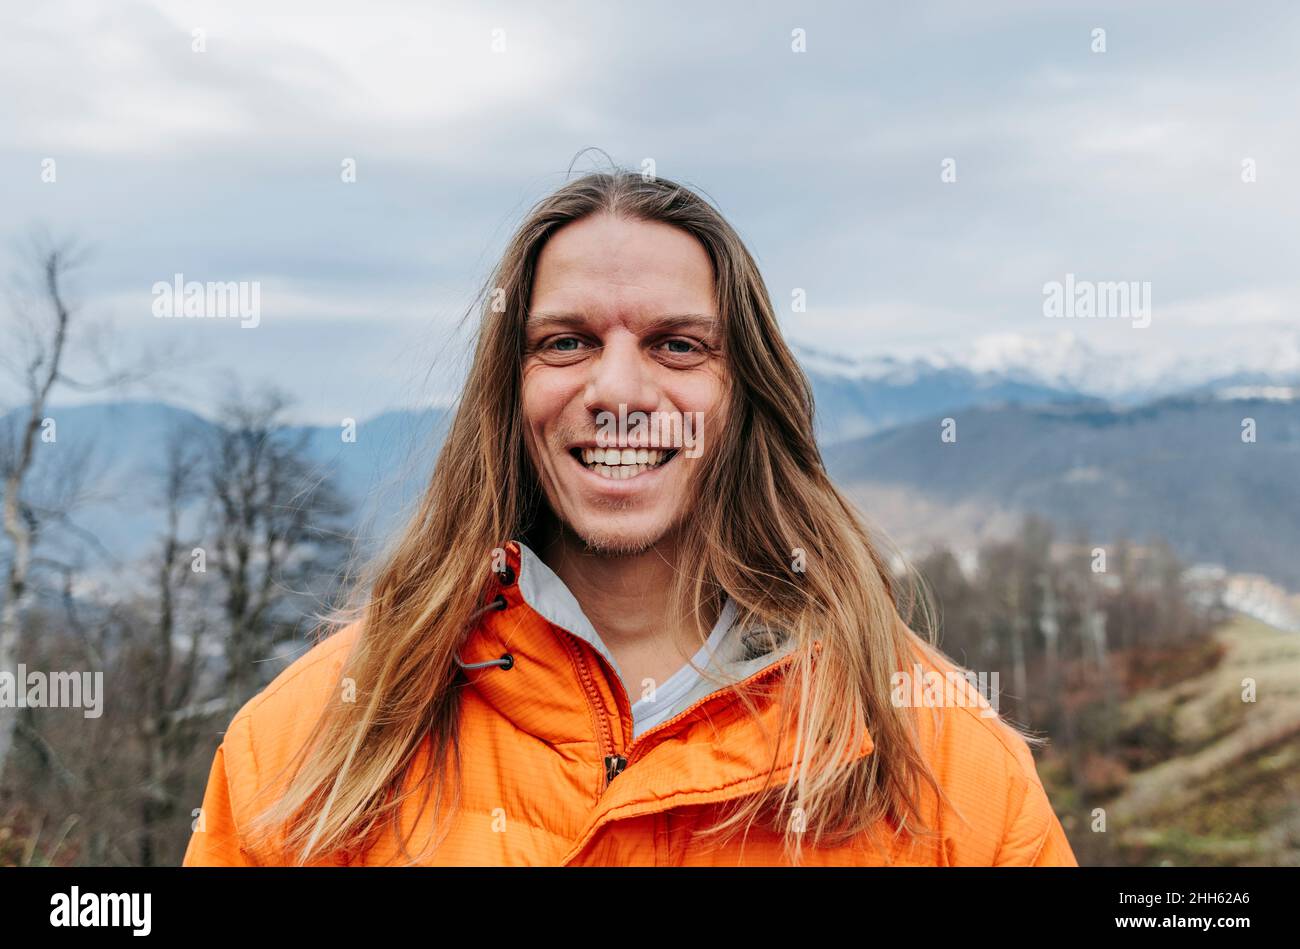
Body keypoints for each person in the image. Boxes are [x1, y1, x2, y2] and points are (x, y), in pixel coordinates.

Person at [183, 169, 1078, 866]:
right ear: (511, 389)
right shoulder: (310, 743)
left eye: (676, 345)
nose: (617, 391)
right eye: (567, 341)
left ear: (743, 393)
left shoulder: (943, 757)